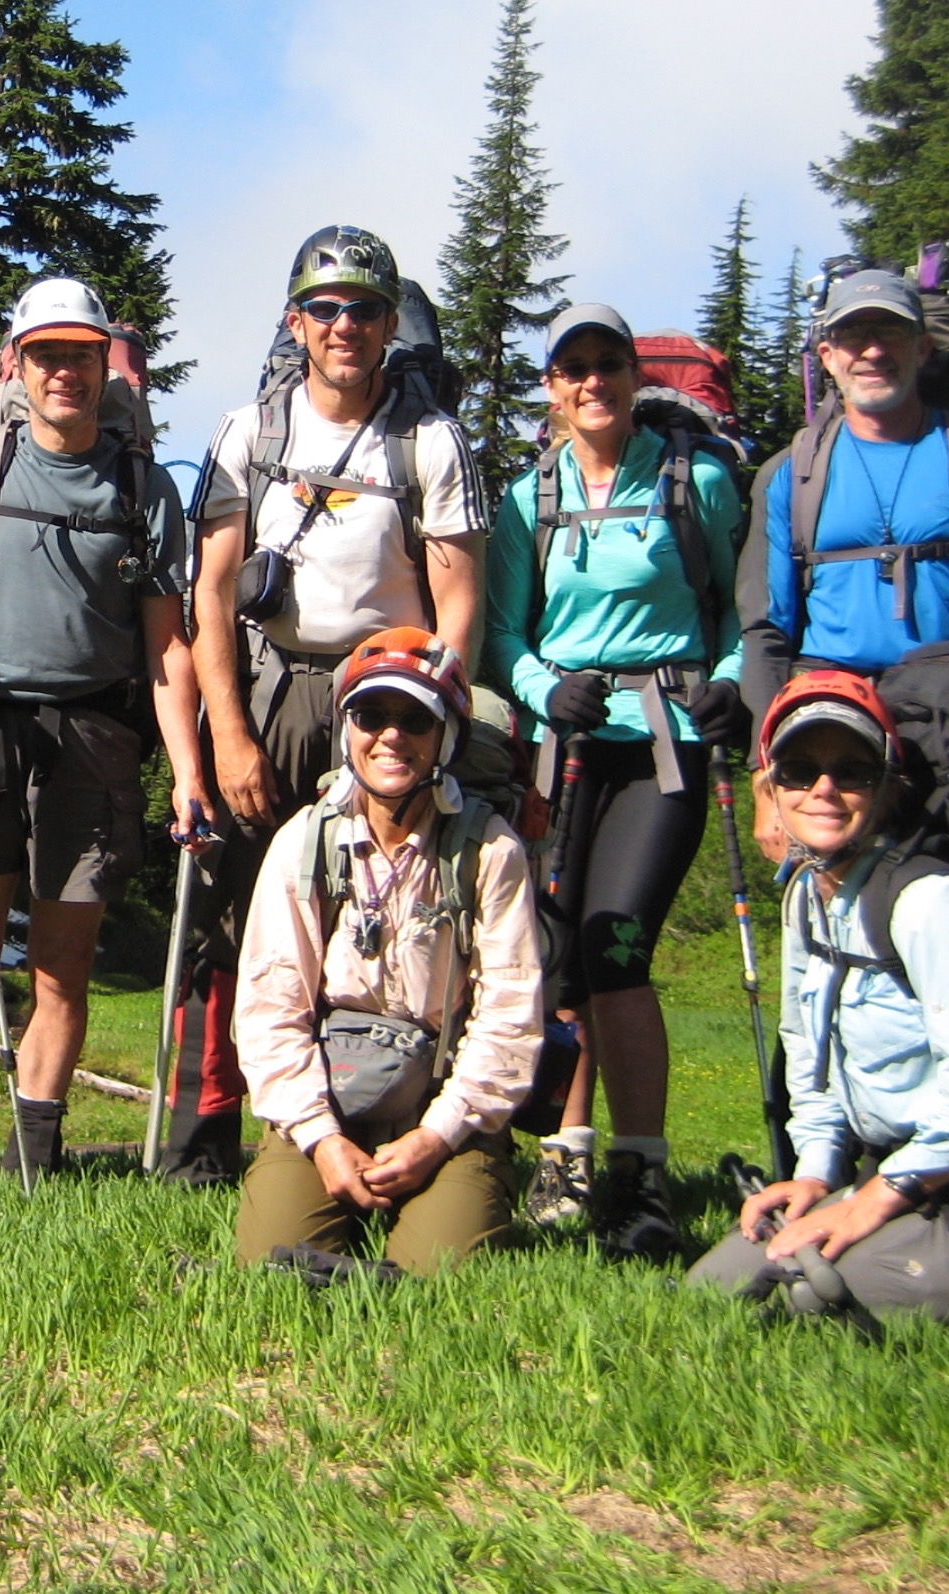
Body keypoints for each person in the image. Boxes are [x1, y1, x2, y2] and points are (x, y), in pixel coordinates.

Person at [172, 225, 487, 1183]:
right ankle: (205, 1131)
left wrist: (431, 722)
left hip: (387, 701)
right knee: (232, 911)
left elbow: (458, 600)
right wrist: (229, 734)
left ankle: (370, 1116)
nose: (343, 325)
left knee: (379, 907)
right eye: (324, 308)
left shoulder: (430, 441)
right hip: (268, 688)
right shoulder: (249, 433)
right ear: (294, 321)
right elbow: (209, 593)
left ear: (390, 324)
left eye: (363, 309)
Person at [0, 275, 209, 1176]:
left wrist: (188, 773)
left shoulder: (145, 487)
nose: (63, 370)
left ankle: (33, 1147)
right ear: (16, 366)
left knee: (62, 965)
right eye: (46, 355)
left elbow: (167, 647)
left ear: (105, 366)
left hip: (95, 736)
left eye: (80, 354)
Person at [686, 671, 949, 1324]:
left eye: (851, 771)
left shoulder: (931, 904)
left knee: (807, 1302)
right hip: (900, 1185)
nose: (823, 789)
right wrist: (817, 1175)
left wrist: (870, 1203)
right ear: (771, 788)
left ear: (887, 787)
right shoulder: (806, 897)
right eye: (798, 771)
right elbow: (809, 1053)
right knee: (714, 1292)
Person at [483, 304, 747, 1256]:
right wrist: (539, 689)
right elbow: (501, 631)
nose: (592, 381)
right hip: (565, 742)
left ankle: (640, 1173)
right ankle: (568, 1154)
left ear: (635, 377)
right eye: (574, 368)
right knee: (559, 958)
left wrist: (728, 686)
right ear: (551, 387)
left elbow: (737, 611)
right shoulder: (527, 499)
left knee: (617, 946)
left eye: (608, 363)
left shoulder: (696, 483)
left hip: (665, 743)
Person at [233, 629, 541, 1277]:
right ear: (347, 729)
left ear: (446, 737)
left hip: (446, 1110)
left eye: (416, 720)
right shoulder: (304, 842)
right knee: (274, 1266)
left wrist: (437, 1137)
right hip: (328, 1100)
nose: (391, 737)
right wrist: (320, 1139)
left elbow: (509, 1020)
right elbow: (269, 1006)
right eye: (371, 716)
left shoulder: (491, 852)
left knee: (432, 1278)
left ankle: (452, 1185)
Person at [736, 267, 949, 863]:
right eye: (853, 335)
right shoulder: (790, 475)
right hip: (832, 730)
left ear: (923, 346)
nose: (872, 350)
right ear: (827, 355)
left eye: (889, 332)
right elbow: (765, 631)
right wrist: (767, 776)